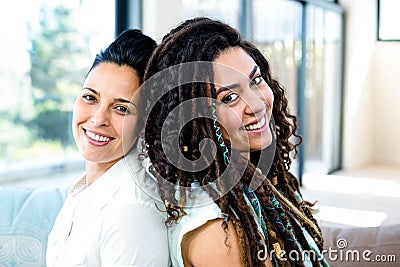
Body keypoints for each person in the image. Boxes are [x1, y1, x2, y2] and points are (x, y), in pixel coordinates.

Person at [142, 18, 329, 266]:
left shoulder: (252, 181)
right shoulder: (220, 235)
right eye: (230, 97)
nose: (258, 104)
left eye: (256, 80)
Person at [46, 29, 170, 266]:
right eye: (90, 97)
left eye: (121, 108)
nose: (98, 118)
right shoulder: (85, 191)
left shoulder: (132, 211)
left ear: (145, 124)